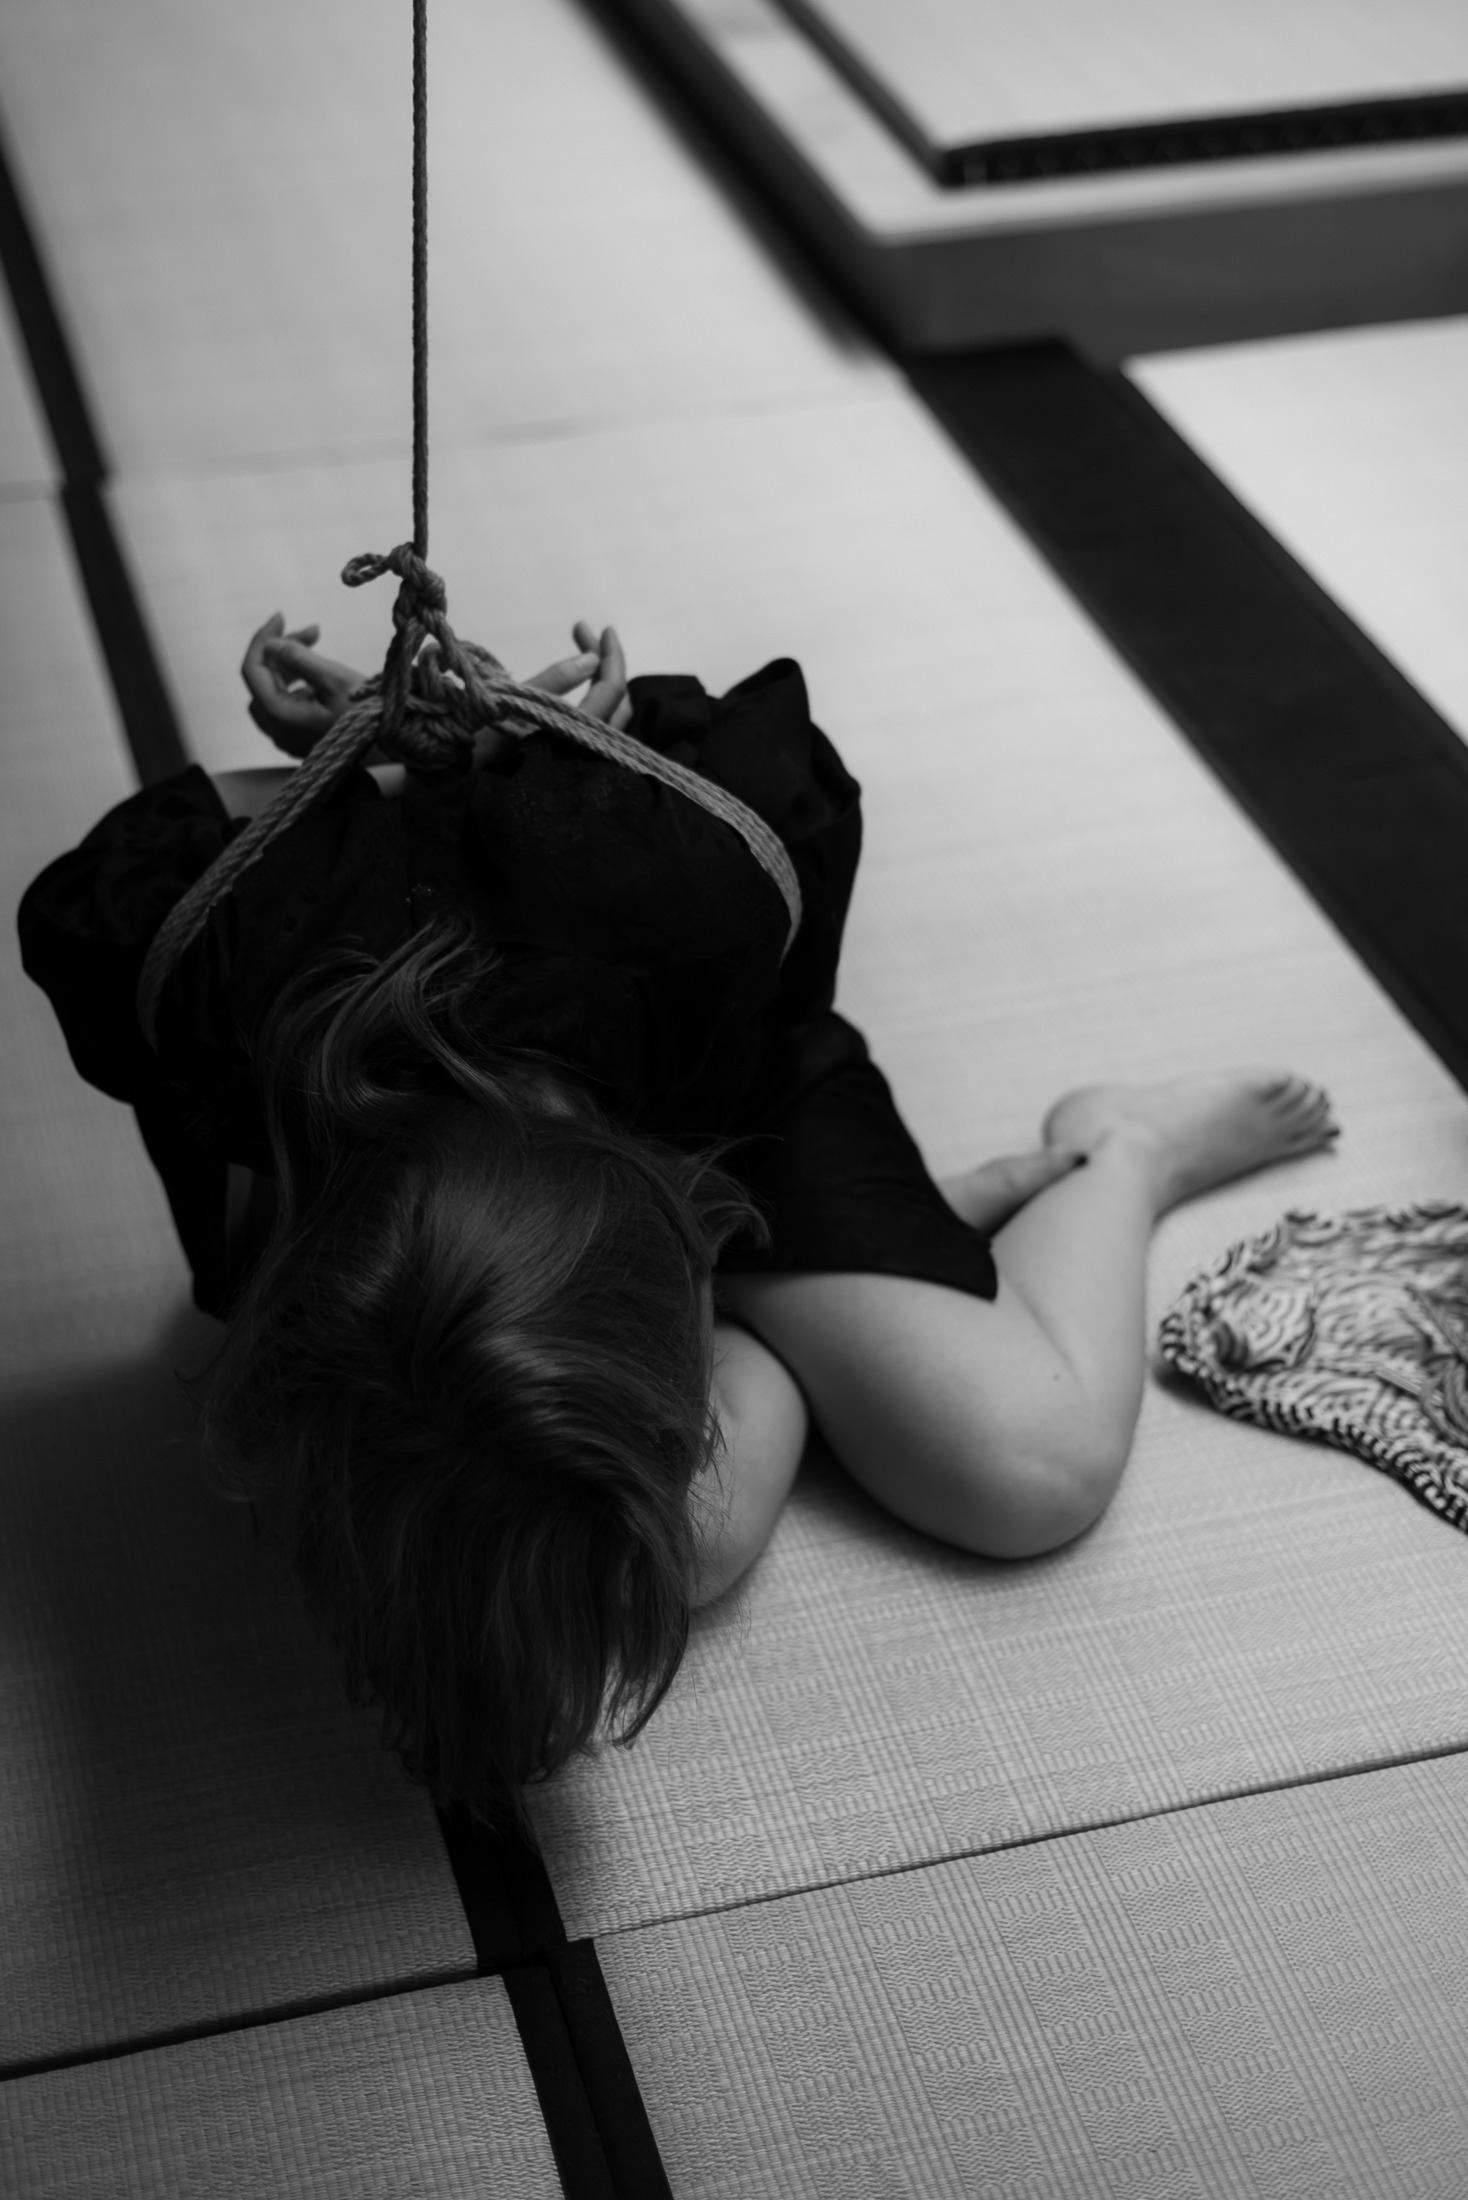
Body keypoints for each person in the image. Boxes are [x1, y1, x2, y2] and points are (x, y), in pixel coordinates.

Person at [19, 610, 1337, 1821]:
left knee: (1030, 1469)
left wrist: (478, 756)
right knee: (668, 1550)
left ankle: (1126, 1151)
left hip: (724, 1081)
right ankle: (868, 1282)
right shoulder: (301, 1239)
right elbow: (123, 899)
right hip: (422, 1208)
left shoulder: (665, 890)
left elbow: (764, 797)